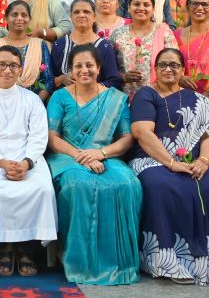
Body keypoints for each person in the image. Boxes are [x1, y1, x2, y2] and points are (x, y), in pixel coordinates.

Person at [129, 48, 209, 285]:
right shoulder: (146, 94)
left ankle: (205, 263)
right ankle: (167, 262)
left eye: (174, 65)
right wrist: (172, 163)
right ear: (155, 68)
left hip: (193, 160)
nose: (168, 69)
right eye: (162, 65)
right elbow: (142, 132)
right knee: (161, 185)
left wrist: (203, 161)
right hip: (152, 159)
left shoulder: (197, 99)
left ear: (183, 69)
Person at [45, 44, 140, 285]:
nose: (84, 70)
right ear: (71, 70)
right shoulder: (60, 96)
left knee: (127, 184)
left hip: (105, 154)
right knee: (78, 185)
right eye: (78, 66)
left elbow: (127, 138)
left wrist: (100, 153)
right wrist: (81, 156)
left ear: (99, 68)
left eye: (89, 65)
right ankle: (78, 261)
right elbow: (52, 138)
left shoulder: (115, 99)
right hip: (67, 156)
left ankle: (117, 263)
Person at [0, 45, 56, 276]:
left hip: (28, 158)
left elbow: (38, 137)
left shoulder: (32, 100)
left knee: (42, 188)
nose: (7, 70)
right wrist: (3, 163)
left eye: (13, 66)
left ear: (20, 70)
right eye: (2, 65)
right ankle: (3, 247)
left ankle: (27, 247)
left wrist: (26, 163)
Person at [108, 0, 178, 96]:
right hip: (123, 97)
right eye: (136, 4)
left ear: (153, 9)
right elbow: (108, 67)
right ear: (129, 8)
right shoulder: (118, 34)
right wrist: (123, 76)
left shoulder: (164, 32)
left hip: (158, 96)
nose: (141, 8)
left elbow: (175, 64)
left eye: (146, 5)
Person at [0, 1, 53, 101]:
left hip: (34, 103)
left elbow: (48, 80)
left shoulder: (39, 45)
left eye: (24, 15)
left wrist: (35, 103)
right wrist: (6, 102)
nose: (19, 18)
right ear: (6, 18)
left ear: (29, 19)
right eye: (14, 15)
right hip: (0, 102)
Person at [51, 0, 122, 91]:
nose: (81, 15)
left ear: (94, 17)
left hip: (97, 99)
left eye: (86, 12)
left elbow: (113, 81)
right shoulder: (59, 44)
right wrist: (61, 79)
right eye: (76, 12)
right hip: (64, 99)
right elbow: (49, 79)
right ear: (70, 17)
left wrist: (90, 89)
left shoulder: (104, 47)